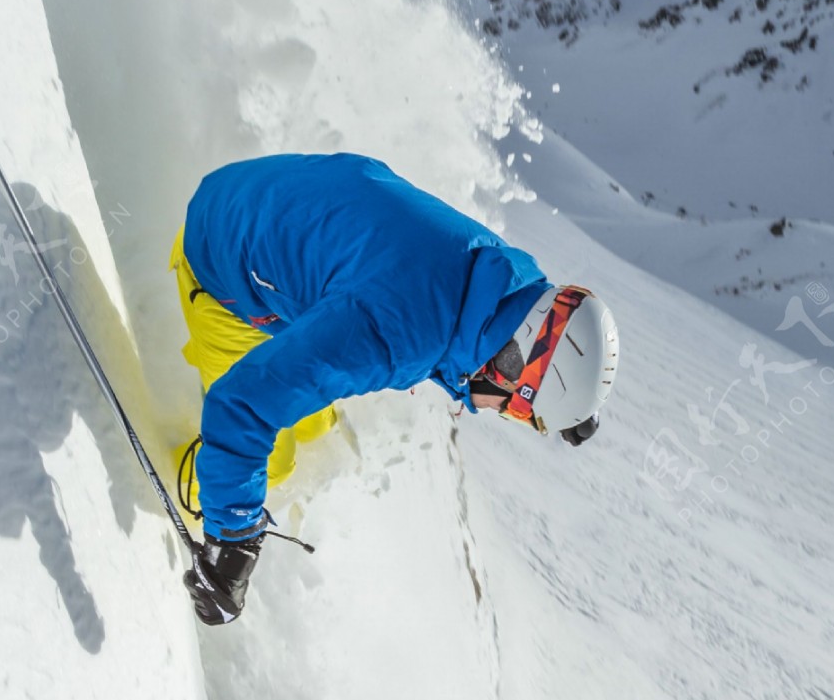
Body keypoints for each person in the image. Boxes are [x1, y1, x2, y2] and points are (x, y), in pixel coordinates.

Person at [170, 152, 619, 626]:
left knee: (315, 425)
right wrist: (233, 552)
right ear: (509, 368)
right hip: (220, 260)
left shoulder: (493, 279)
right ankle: (190, 497)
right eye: (520, 413)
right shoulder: (394, 333)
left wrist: (566, 405)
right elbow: (242, 406)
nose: (501, 414)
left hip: (261, 201)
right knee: (273, 460)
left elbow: (531, 346)